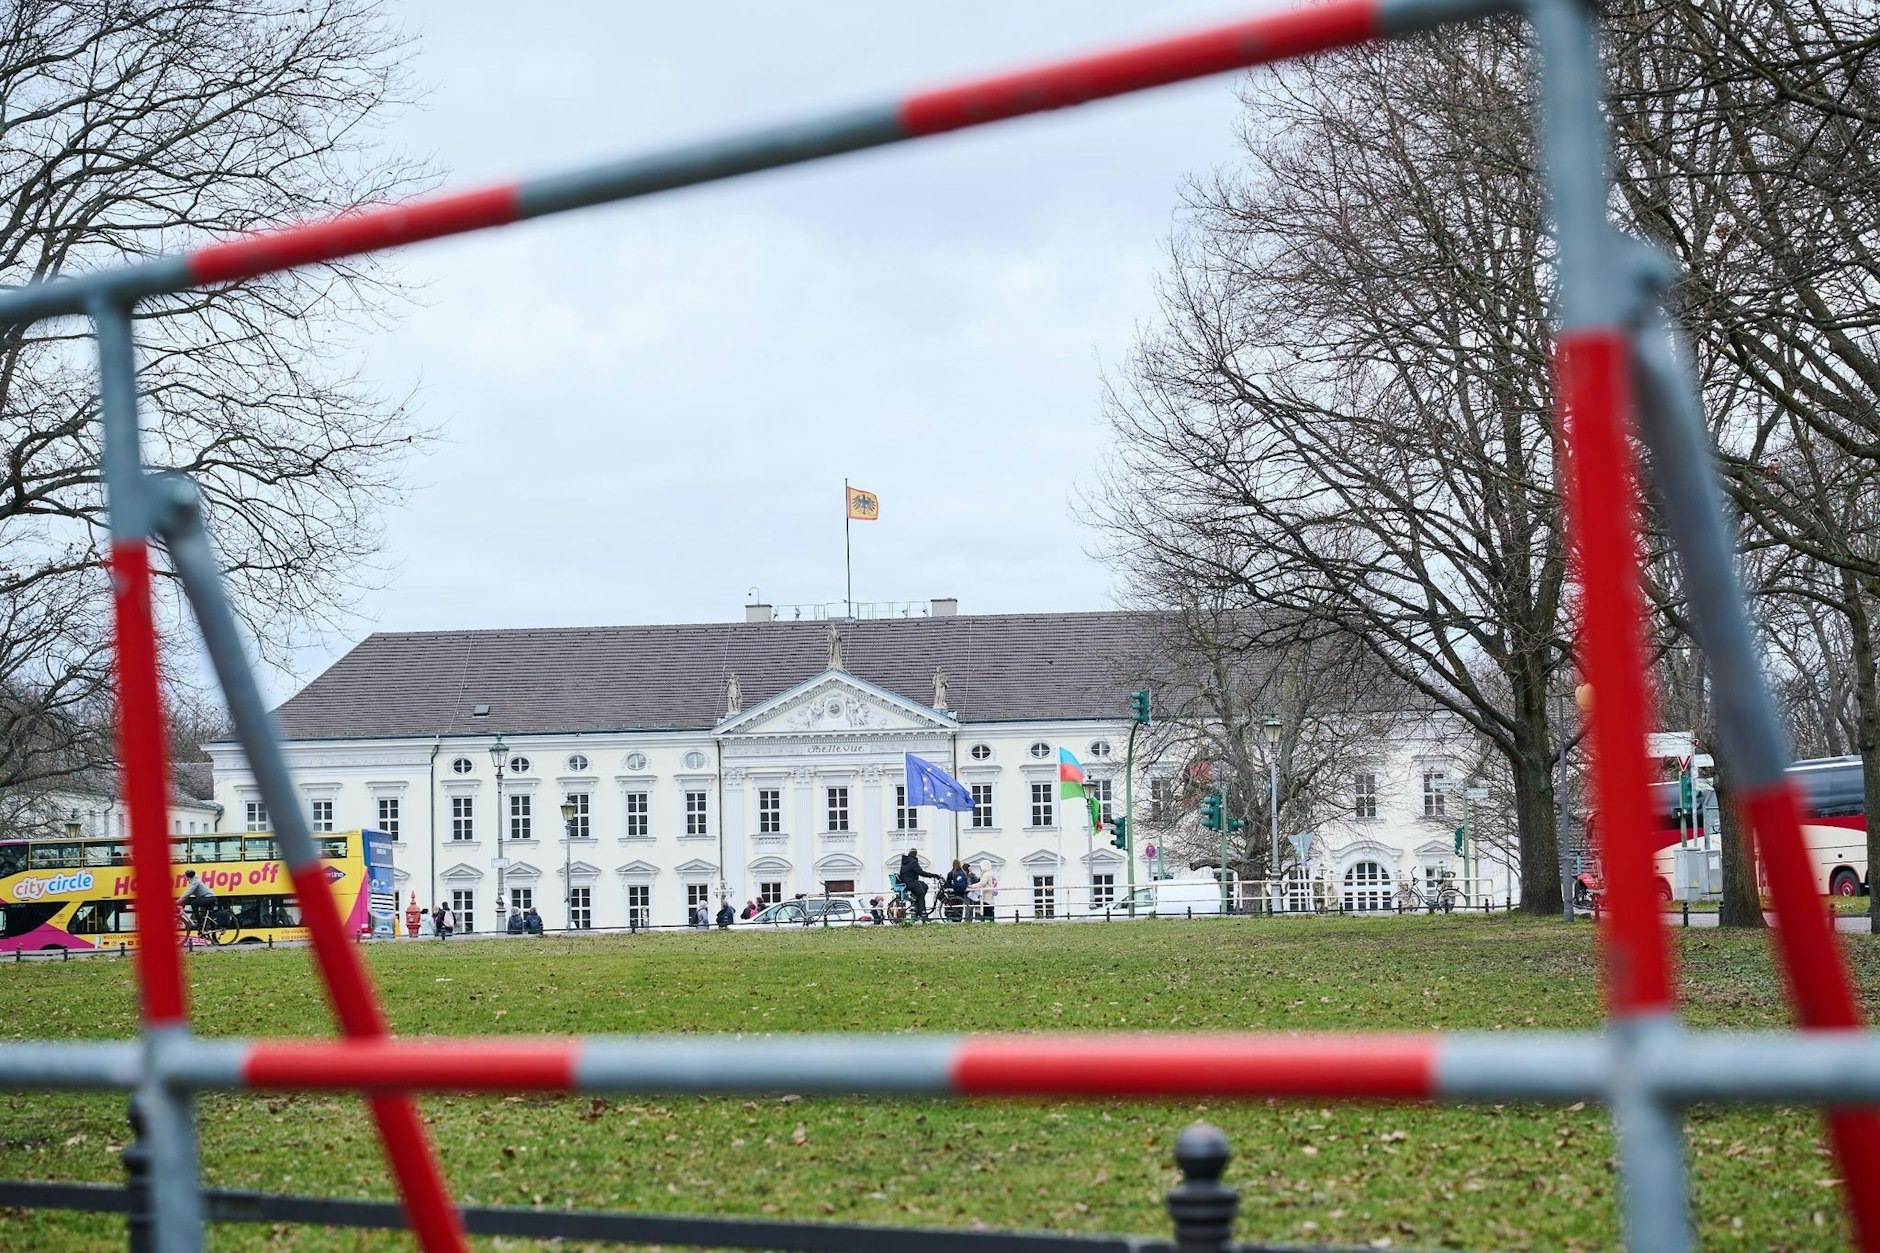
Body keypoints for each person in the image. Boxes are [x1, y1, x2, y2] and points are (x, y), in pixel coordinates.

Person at [896, 849, 941, 921]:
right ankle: (922, 913)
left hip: (907, 881)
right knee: (921, 893)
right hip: (911, 882)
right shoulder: (913, 862)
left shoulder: (906, 861)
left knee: (925, 886)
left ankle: (917, 905)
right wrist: (933, 875)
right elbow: (920, 872)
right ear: (915, 854)